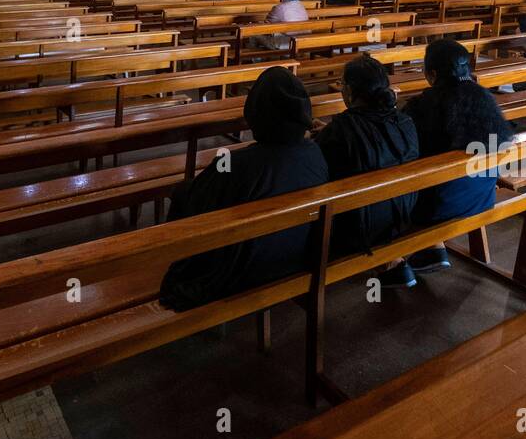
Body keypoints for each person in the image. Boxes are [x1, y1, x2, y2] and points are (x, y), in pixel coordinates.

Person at [159, 68, 329, 310]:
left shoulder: (237, 166)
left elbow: (196, 213)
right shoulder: (315, 154)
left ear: (256, 113)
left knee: (184, 193)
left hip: (246, 270)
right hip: (294, 257)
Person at [401, 39, 514, 278]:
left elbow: (405, 151)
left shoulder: (424, 105)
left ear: (431, 74)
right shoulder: (484, 97)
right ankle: (434, 247)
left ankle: (400, 257)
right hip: (482, 195)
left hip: (438, 206)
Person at [314, 56, 419, 271]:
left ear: (350, 91)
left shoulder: (343, 129)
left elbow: (318, 172)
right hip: (404, 214)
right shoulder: (403, 121)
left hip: (361, 227)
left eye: (342, 84)